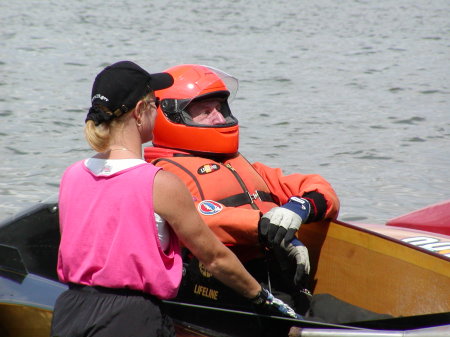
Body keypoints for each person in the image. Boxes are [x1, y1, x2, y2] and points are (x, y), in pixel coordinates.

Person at [50, 61, 300, 337]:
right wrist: (263, 299)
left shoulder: (71, 176)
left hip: (71, 309)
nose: (158, 111)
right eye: (155, 104)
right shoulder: (159, 183)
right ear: (141, 112)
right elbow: (215, 257)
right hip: (130, 318)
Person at [143, 64, 340, 314]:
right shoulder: (162, 176)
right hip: (229, 295)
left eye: (219, 108)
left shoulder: (244, 166)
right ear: (170, 116)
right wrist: (268, 225)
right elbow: (198, 218)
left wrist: (296, 209)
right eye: (205, 111)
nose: (218, 118)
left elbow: (318, 187)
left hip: (281, 286)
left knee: (374, 318)